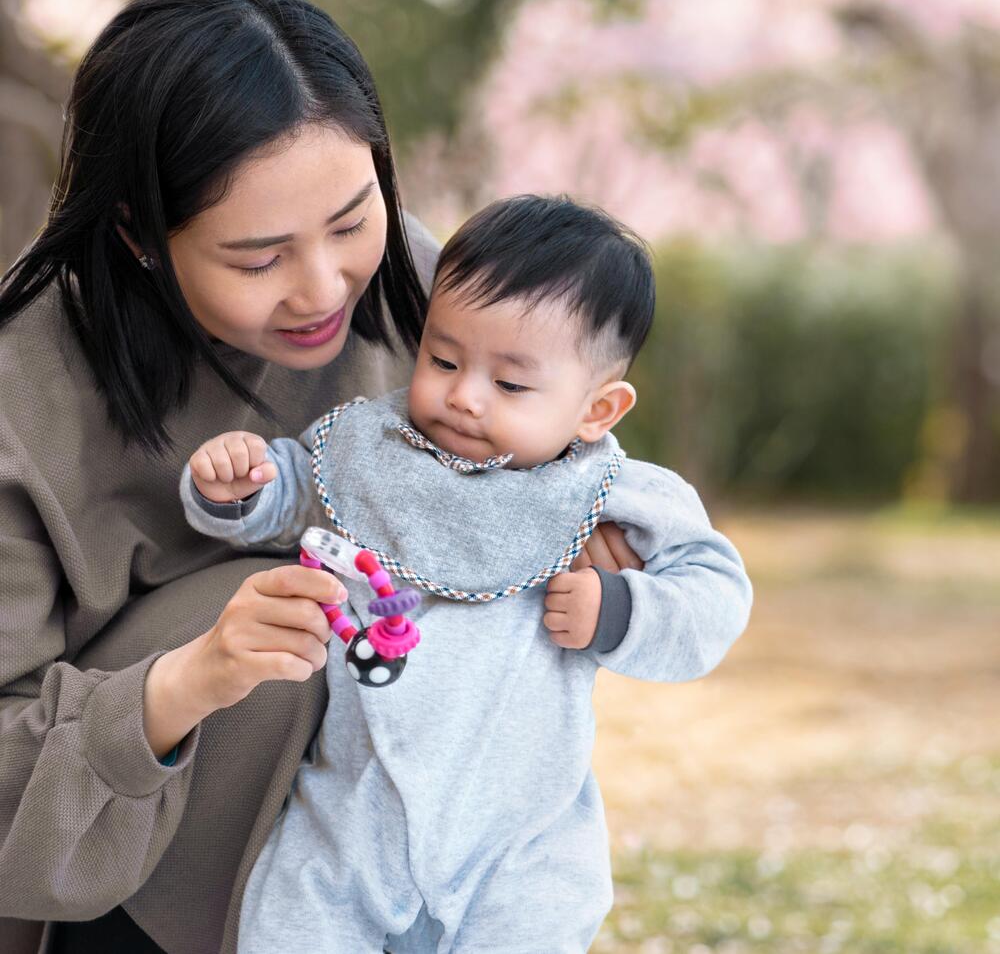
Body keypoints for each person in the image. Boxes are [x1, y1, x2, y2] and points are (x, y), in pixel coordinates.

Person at [0, 0, 644, 954]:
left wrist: (590, 517)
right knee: (289, 602)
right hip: (113, 875)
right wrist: (188, 680)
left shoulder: (425, 291)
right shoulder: (20, 399)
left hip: (399, 844)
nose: (323, 287)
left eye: (351, 219)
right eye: (259, 258)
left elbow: (557, 406)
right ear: (136, 232)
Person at [183, 195, 753, 954]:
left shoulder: (612, 493)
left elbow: (715, 593)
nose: (464, 394)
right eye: (444, 359)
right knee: (289, 926)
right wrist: (237, 488)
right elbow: (291, 493)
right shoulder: (373, 451)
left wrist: (618, 610)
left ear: (598, 408)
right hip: (353, 812)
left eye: (511, 385)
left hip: (519, 839)